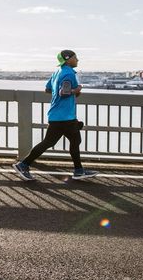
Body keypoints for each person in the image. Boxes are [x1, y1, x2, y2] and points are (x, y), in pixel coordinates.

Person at [12, 50, 98, 181]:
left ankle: (78, 170)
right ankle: (23, 164)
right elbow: (64, 92)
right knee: (59, 142)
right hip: (65, 117)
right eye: (76, 58)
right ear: (68, 59)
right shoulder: (69, 73)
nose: (78, 60)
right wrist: (77, 90)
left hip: (57, 115)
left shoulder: (57, 72)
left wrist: (66, 92)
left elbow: (48, 89)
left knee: (65, 141)